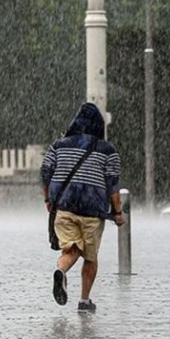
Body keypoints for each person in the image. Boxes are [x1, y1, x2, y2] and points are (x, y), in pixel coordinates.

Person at [40, 102, 125, 312]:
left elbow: (45, 173)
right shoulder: (108, 150)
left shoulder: (59, 145)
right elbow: (112, 185)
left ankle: (61, 270)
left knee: (72, 249)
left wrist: (48, 199)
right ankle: (85, 301)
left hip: (65, 207)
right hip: (92, 212)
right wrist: (118, 213)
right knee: (90, 256)